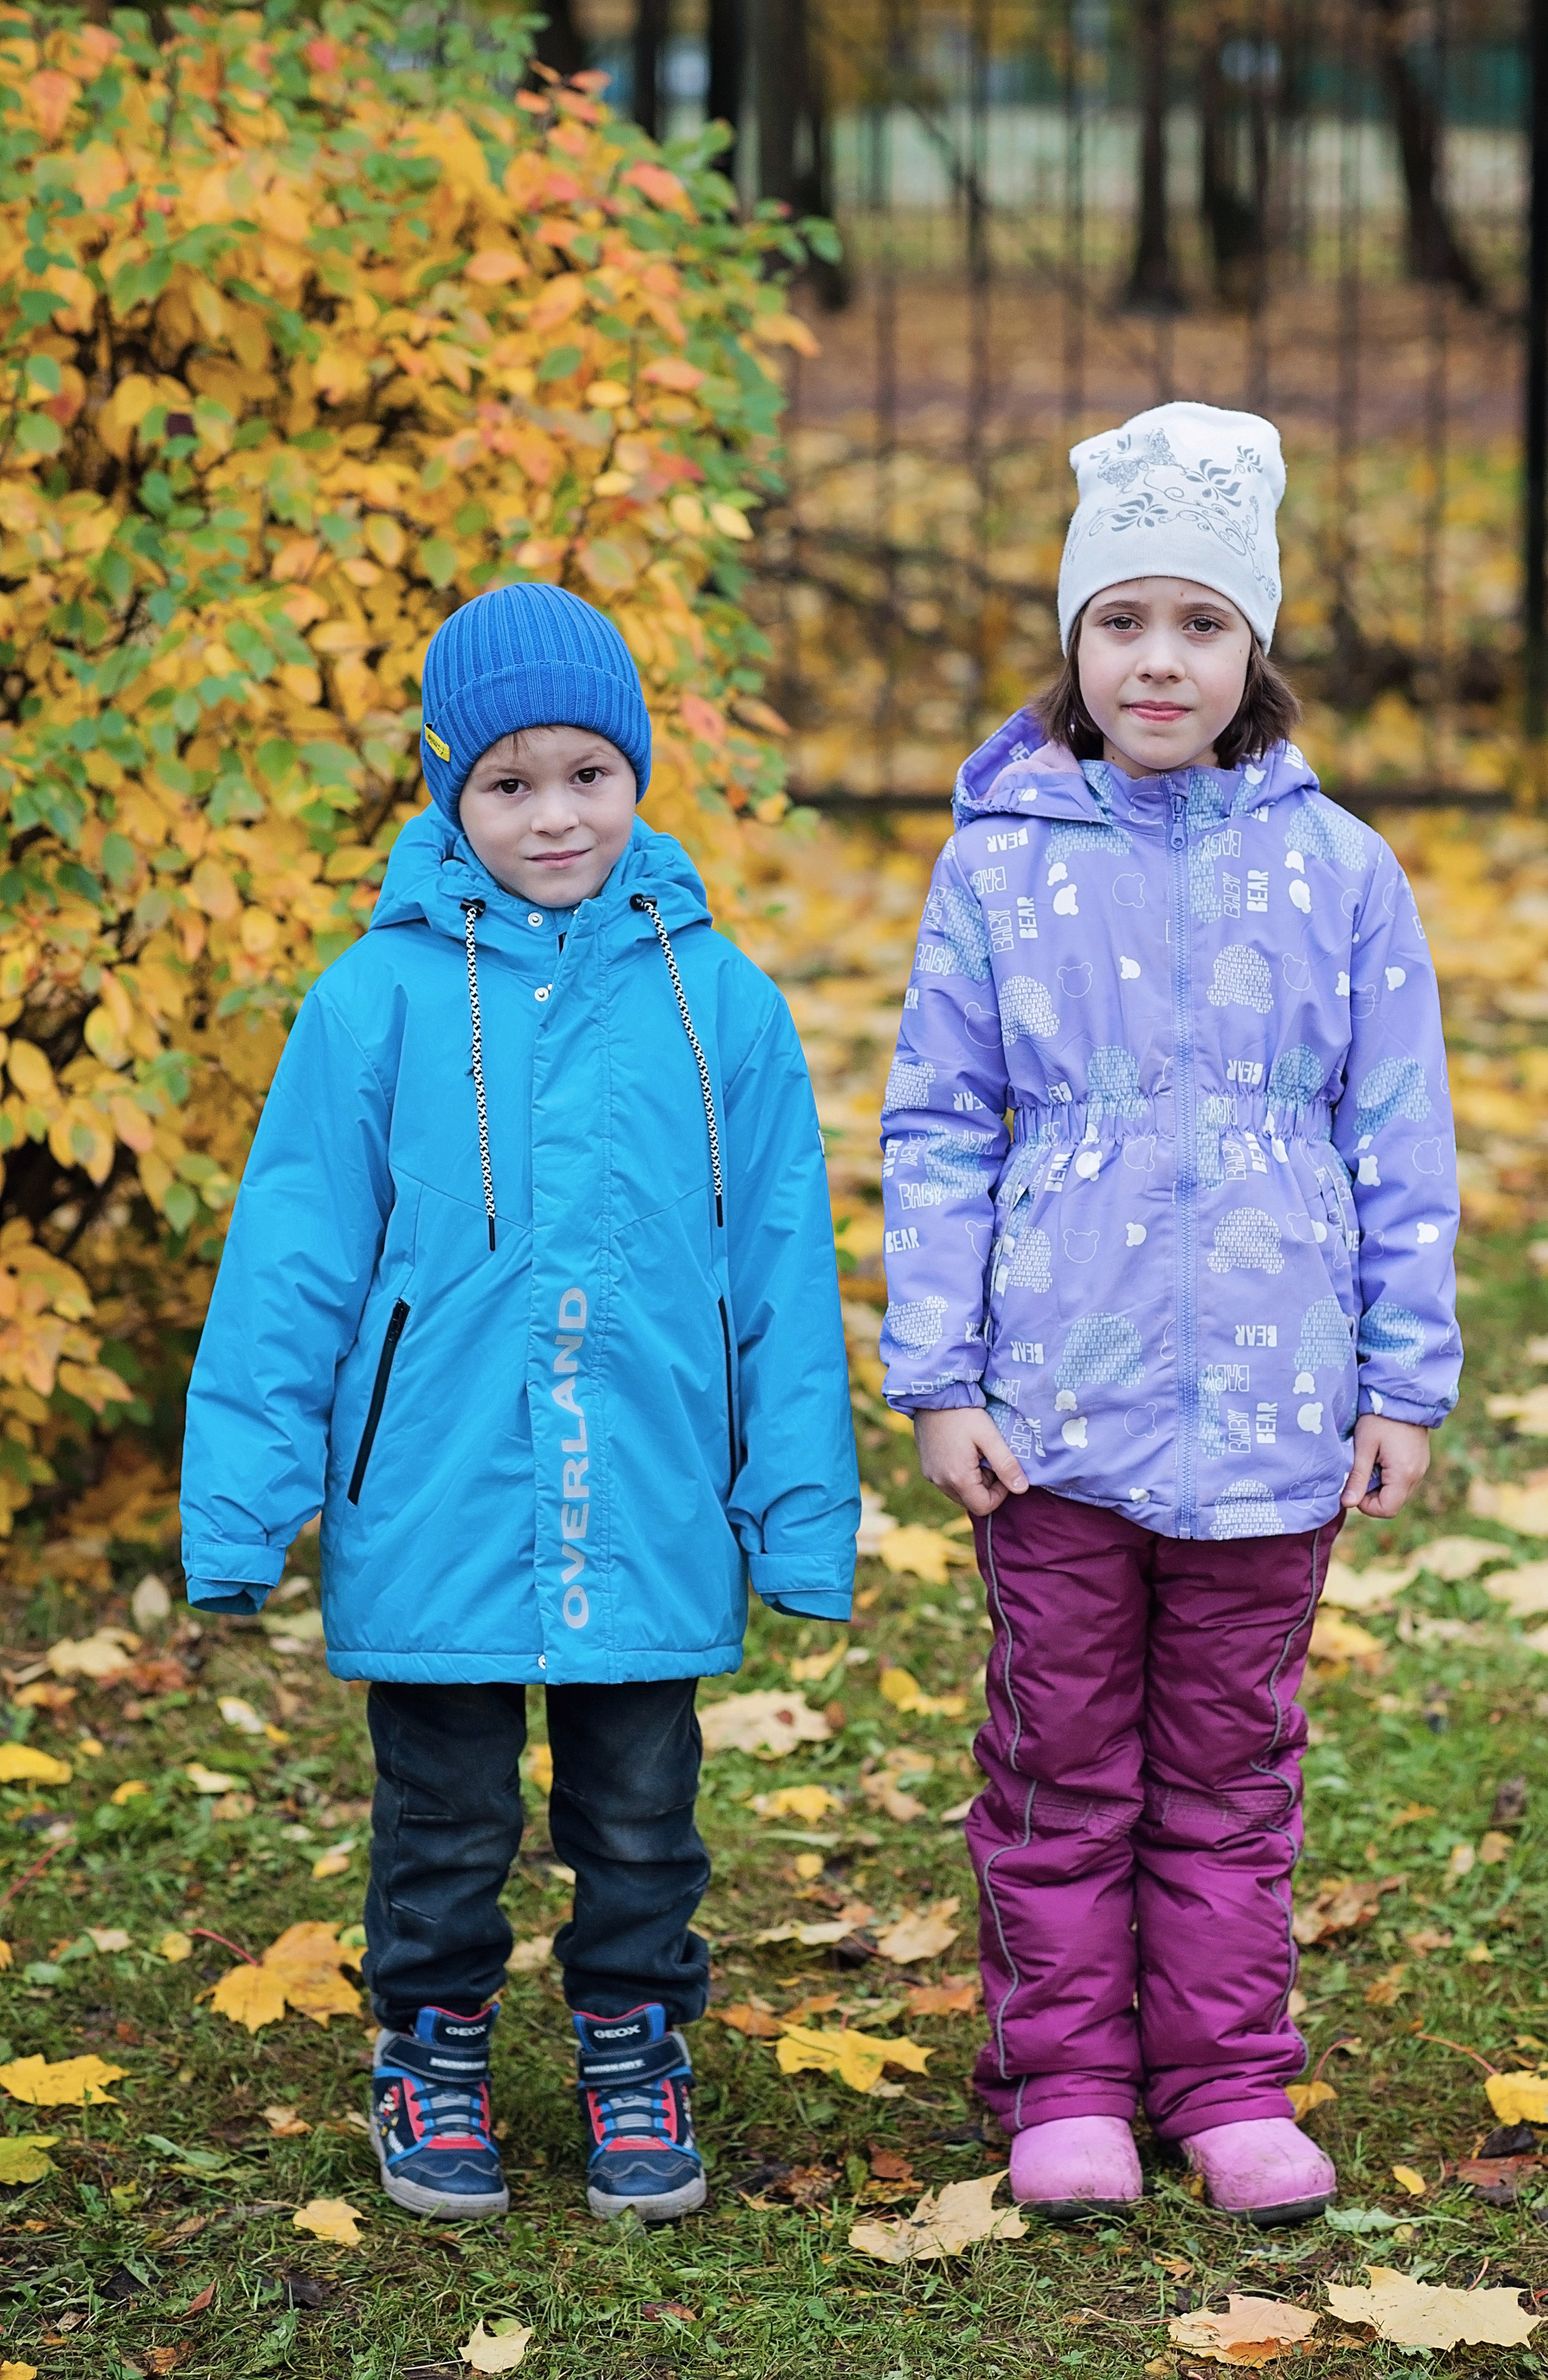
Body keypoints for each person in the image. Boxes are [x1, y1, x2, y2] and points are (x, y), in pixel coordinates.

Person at [181, 582, 858, 2226]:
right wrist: (244, 1505)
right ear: (448, 792)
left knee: (642, 1813)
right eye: (507, 783)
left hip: (650, 1489)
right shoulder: (372, 1001)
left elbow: (777, 1265)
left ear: (636, 775)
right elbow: (292, 1259)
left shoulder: (720, 1001)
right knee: (442, 1814)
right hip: (437, 1489)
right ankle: (431, 2043)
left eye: (586, 775)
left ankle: (634, 2038)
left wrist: (798, 1510)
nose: (552, 816)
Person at [878, 402, 1460, 2226]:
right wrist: (939, 1376)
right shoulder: (996, 865)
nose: (1156, 659)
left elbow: (1399, 1130)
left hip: (1276, 1422)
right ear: (1072, 640)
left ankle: (1222, 2078)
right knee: (1060, 1760)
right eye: (1119, 618)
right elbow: (938, 1122)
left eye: (1199, 622)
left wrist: (1402, 1381)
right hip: (1053, 1422)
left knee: (1226, 1765)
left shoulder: (1339, 869)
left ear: (1252, 646)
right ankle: (1063, 2080)